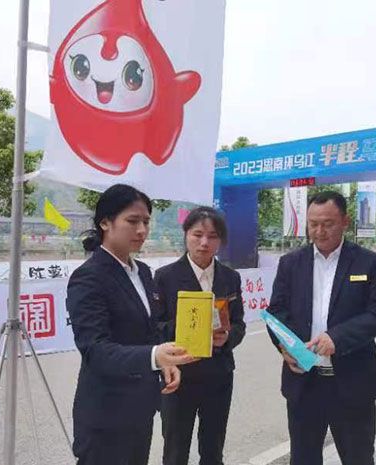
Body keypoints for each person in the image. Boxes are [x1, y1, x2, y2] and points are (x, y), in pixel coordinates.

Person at [67, 184, 194, 465]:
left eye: (146, 222)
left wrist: (165, 361)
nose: (141, 230)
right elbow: (95, 349)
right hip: (105, 417)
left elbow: (149, 331)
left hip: (140, 410)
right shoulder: (89, 277)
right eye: (132, 221)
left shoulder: (143, 273)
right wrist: (154, 355)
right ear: (105, 222)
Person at [267, 191, 376, 465]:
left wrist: (337, 338)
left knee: (358, 457)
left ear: (345, 221)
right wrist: (286, 348)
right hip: (304, 382)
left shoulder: (367, 262)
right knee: (303, 458)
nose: (319, 231)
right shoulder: (291, 263)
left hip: (351, 382)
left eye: (328, 224)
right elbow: (277, 311)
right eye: (313, 224)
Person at [155, 206, 246, 465]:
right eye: (197, 235)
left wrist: (227, 337)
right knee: (175, 449)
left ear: (221, 241)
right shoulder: (165, 277)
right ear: (186, 235)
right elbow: (155, 326)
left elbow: (238, 324)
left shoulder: (230, 278)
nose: (204, 243)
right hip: (178, 376)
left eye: (212, 236)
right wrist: (188, 329)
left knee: (213, 448)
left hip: (219, 376)